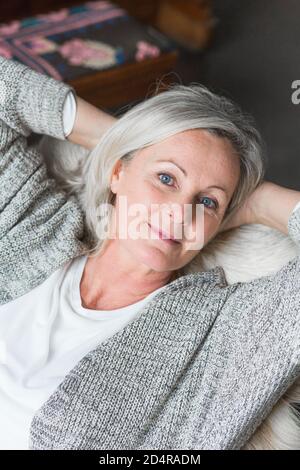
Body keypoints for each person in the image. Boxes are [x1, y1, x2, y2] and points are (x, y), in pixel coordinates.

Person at [0, 56, 299, 450]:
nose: (178, 213)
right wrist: (118, 139)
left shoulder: (227, 332)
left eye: (207, 202)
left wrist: (258, 204)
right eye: (165, 178)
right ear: (118, 174)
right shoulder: (36, 227)